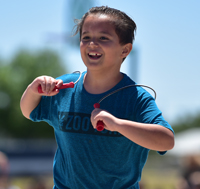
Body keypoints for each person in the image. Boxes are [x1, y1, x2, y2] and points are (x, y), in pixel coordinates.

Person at [20, 6, 174, 189]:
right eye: (86, 37)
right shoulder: (64, 87)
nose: (92, 43)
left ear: (125, 50)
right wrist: (32, 90)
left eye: (103, 38)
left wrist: (117, 124)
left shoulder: (136, 97)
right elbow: (29, 111)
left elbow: (167, 140)